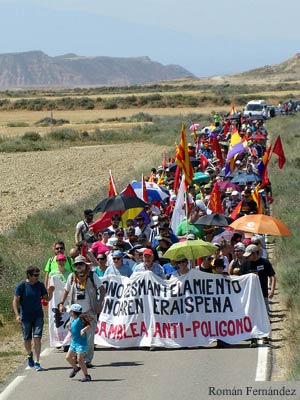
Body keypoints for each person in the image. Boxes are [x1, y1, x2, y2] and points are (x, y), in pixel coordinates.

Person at [58, 255, 105, 368]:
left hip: (89, 310)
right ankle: (76, 357)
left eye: (81, 264)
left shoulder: (92, 276)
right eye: (77, 264)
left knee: (89, 337)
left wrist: (99, 303)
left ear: (85, 265)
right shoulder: (71, 277)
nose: (79, 266)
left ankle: (87, 360)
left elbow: (102, 290)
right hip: (75, 312)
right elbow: (66, 290)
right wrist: (61, 303)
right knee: (75, 335)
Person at [13, 266, 49, 371]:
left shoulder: (40, 285)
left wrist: (50, 292)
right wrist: (17, 315)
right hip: (25, 317)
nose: (37, 277)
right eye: (35, 275)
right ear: (29, 275)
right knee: (27, 339)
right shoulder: (22, 286)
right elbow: (15, 301)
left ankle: (37, 362)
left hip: (38, 315)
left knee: (37, 338)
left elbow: (46, 298)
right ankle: (29, 354)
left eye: (38, 275)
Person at [239, 244, 276, 346]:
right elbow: (239, 279)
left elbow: (272, 276)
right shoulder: (245, 264)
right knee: (251, 316)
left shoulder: (264, 262)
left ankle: (266, 337)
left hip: (263, 294)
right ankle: (253, 338)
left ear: (255, 254)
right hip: (250, 296)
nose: (248, 257)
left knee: (265, 315)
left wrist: (272, 290)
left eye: (250, 255)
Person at [66, 303, 92, 382]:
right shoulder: (73, 320)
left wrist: (83, 330)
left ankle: (87, 376)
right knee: (68, 357)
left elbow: (89, 326)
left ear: (73, 312)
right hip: (74, 343)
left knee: (80, 360)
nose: (69, 313)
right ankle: (76, 368)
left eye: (70, 311)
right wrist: (69, 329)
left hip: (81, 344)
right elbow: (73, 332)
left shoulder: (80, 319)